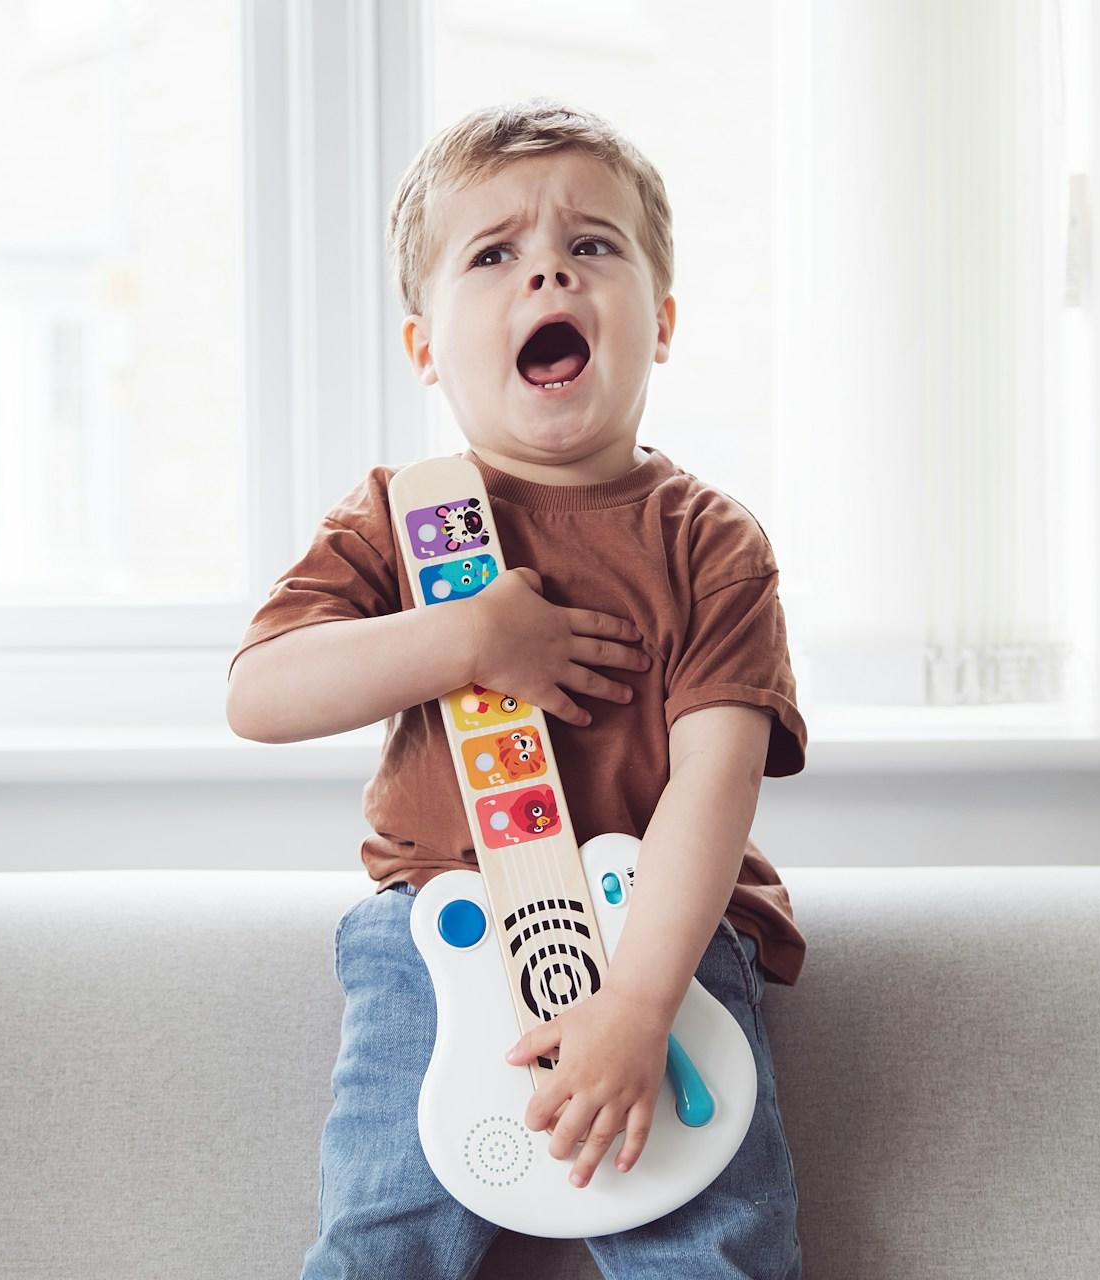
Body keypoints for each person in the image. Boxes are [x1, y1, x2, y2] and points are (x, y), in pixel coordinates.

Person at [226, 97, 808, 1280]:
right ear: (426, 346)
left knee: (711, 1249)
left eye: (592, 245)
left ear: (663, 317)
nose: (547, 267)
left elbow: (718, 776)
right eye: (494, 254)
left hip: (665, 939)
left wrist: (640, 1002)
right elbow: (262, 693)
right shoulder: (402, 516)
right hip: (432, 938)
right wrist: (469, 636)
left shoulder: (711, 540)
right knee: (378, 1239)